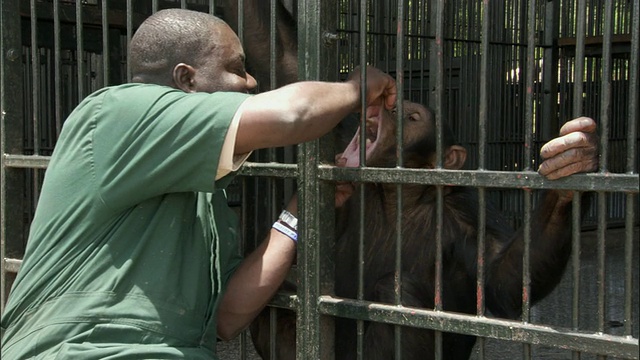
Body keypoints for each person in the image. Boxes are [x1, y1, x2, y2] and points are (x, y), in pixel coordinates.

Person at [0, 9, 396, 359]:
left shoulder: (203, 197)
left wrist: (298, 214)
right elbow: (294, 114)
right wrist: (356, 87)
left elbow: (227, 317)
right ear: (186, 79)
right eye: (237, 68)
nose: (252, 81)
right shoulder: (115, 111)